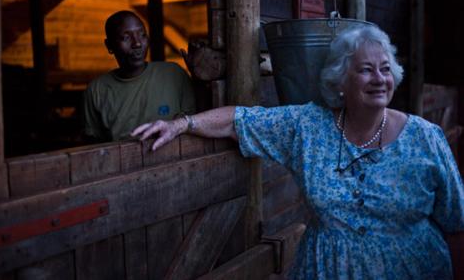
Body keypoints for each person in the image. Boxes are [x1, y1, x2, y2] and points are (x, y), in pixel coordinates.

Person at [132, 24, 464, 279]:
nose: (379, 78)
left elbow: (456, 221)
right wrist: (182, 124)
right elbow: (239, 120)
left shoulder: (426, 137)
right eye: (365, 69)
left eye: (385, 68)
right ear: (339, 81)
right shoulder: (307, 125)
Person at [83, 10, 196, 142]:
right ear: (109, 45)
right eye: (126, 37)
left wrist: (198, 76)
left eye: (142, 35)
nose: (137, 43)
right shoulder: (97, 90)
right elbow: (93, 145)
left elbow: (196, 123)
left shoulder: (174, 74)